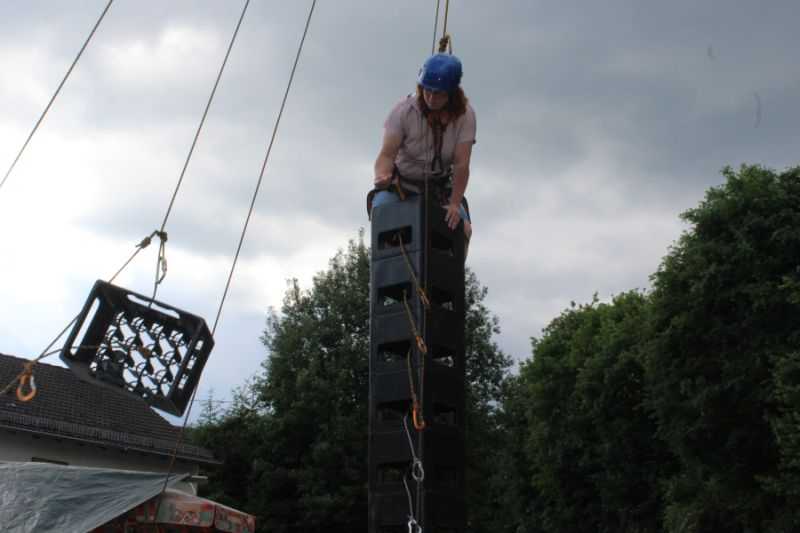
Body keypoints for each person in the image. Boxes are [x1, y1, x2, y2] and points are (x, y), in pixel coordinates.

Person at [371, 53, 476, 242]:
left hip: (439, 190)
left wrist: (454, 203)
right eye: (427, 90)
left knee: (463, 228)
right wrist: (381, 177)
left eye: (438, 93)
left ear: (451, 93)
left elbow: (462, 164)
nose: (431, 97)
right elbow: (386, 155)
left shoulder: (465, 116)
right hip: (402, 187)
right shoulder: (403, 110)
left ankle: (451, 271)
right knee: (380, 213)